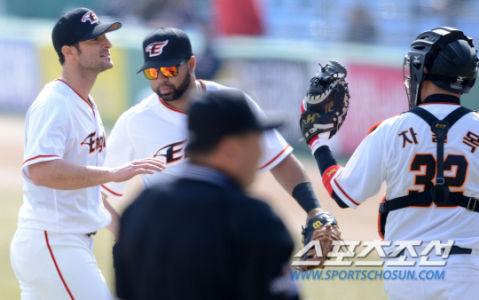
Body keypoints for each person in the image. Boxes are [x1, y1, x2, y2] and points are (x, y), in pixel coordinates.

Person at [300, 26, 479, 299]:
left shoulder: (391, 129)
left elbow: (343, 193)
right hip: (467, 273)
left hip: (406, 273)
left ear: (424, 69)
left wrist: (318, 142)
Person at [101, 26, 330, 231]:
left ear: (191, 64)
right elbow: (98, 194)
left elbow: (279, 158)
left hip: (227, 229)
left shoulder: (231, 102)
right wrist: (128, 238)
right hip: (171, 239)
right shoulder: (135, 121)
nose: (161, 79)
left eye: (169, 70)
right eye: (152, 72)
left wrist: (314, 211)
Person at [9, 8, 164, 300]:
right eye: (95, 39)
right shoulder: (54, 103)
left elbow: (89, 192)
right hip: (54, 242)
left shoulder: (86, 102)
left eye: (105, 36)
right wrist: (113, 174)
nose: (107, 44)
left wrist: (126, 234)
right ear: (69, 52)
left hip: (63, 245)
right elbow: (41, 171)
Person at [116, 89, 299, 299]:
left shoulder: (139, 209)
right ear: (230, 149)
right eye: (256, 139)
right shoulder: (255, 220)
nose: (260, 151)